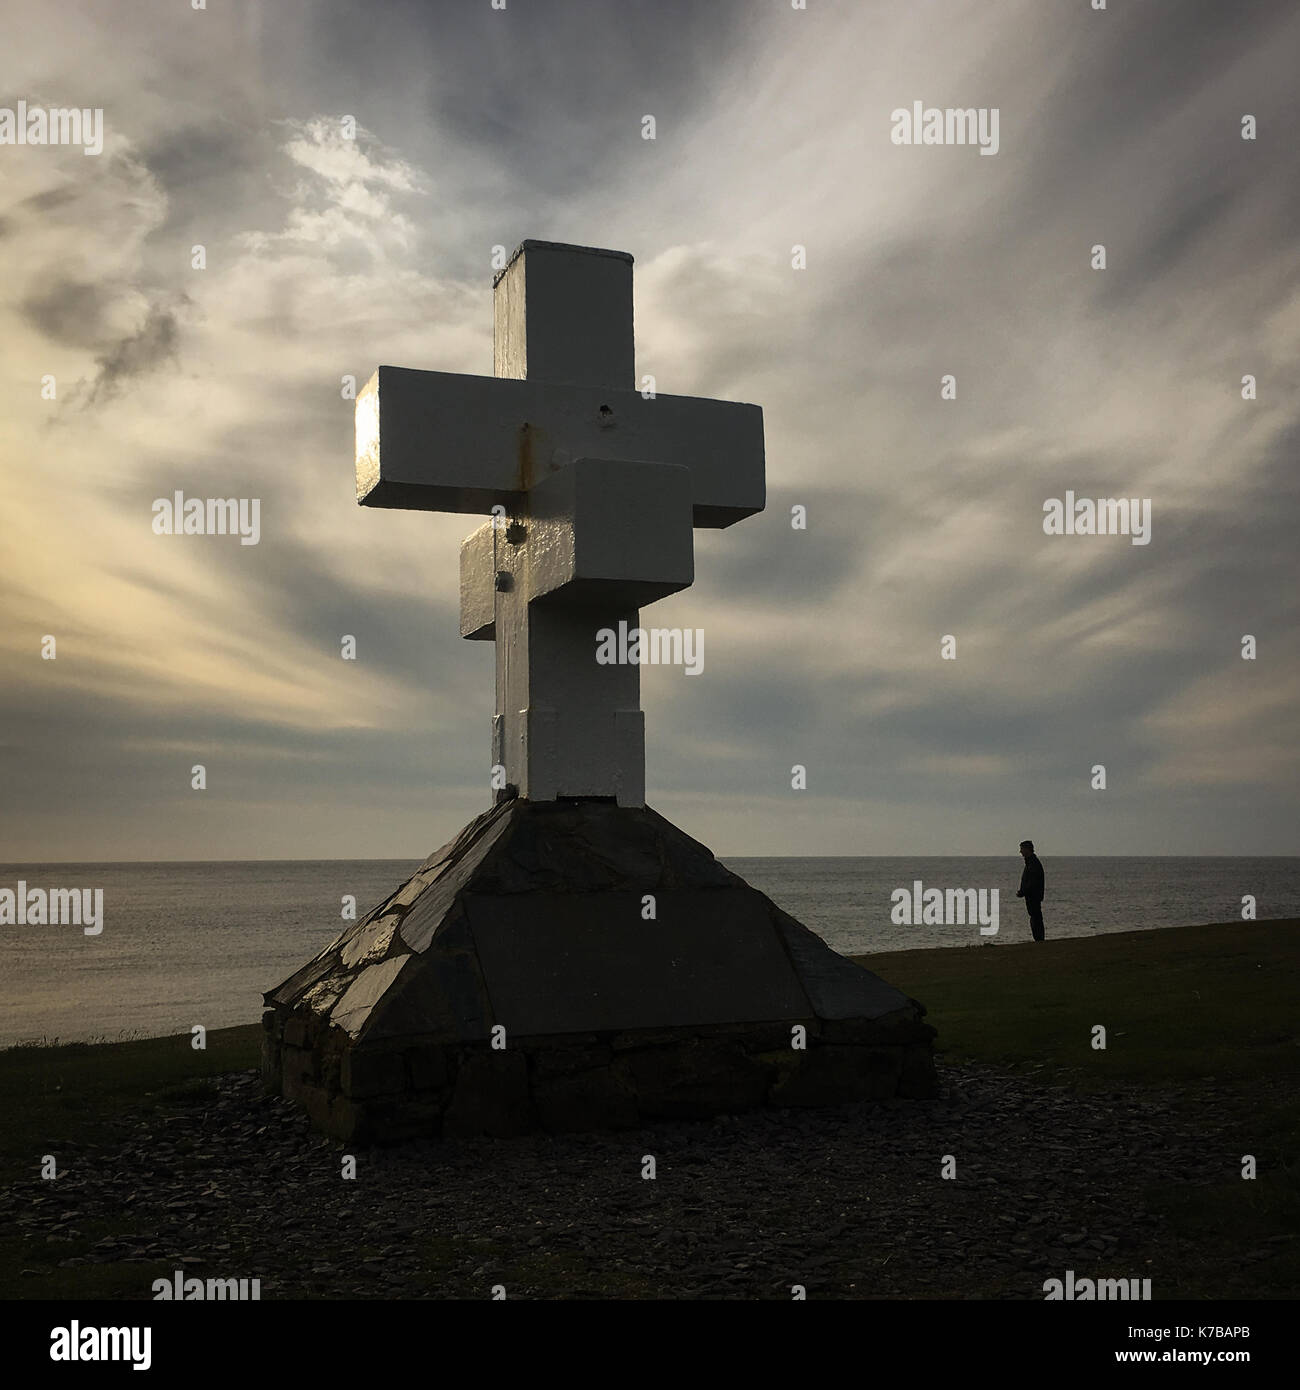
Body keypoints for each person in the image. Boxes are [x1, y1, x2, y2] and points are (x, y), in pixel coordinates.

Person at [1016, 840, 1046, 941]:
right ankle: (1038, 939)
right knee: (1035, 916)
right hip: (1032, 895)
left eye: (1022, 849)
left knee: (1035, 917)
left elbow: (1032, 882)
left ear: (1027, 849)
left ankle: (1039, 939)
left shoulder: (1033, 863)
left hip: (1033, 896)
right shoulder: (1031, 863)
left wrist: (1022, 892)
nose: (1020, 852)